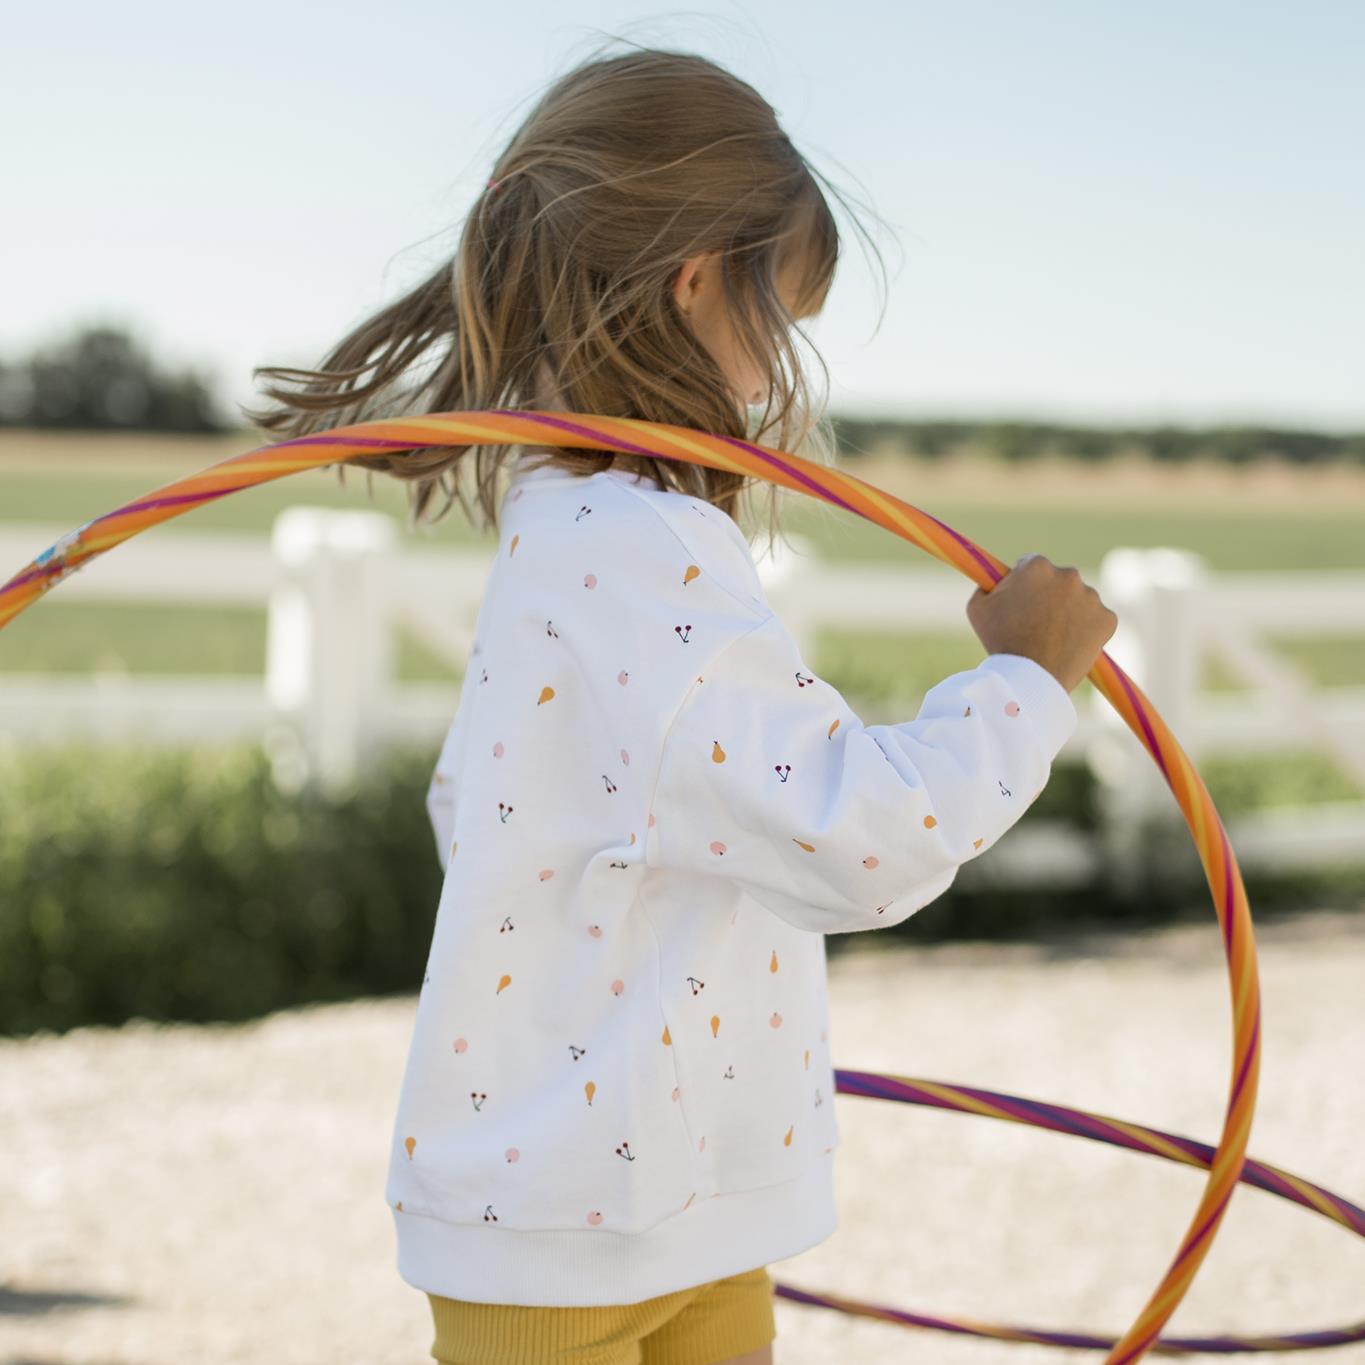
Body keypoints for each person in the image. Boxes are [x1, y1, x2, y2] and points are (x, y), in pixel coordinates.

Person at [245, 41, 1117, 1365]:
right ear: (698, 281)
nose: (770, 378)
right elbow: (853, 834)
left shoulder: (562, 527)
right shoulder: (639, 546)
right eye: (781, 322)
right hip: (581, 1229)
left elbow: (476, 810)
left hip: (649, 1196)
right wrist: (1024, 683)